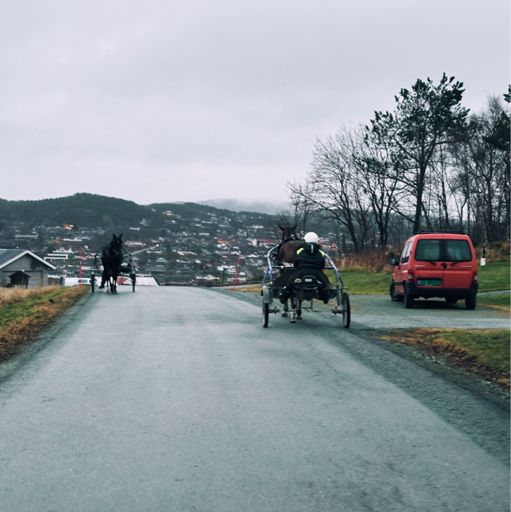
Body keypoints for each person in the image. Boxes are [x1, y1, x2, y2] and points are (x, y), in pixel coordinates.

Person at [279, 231, 331, 304]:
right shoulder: (320, 252)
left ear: (305, 240)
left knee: (290, 283)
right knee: (325, 283)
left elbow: (296, 262)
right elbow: (322, 264)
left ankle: (283, 298)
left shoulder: (300, 250)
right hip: (317, 273)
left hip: (301, 272)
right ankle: (325, 298)